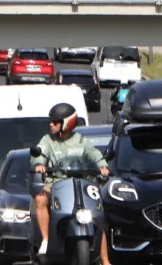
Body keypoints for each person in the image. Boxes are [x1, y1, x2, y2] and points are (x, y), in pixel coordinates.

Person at [31, 103, 111, 262]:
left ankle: (105, 260)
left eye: (55, 122)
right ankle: (46, 240)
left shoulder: (82, 140)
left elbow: (93, 153)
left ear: (67, 123)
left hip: (81, 183)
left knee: (95, 214)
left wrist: (102, 166)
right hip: (56, 183)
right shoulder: (48, 140)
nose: (51, 125)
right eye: (51, 121)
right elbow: (39, 153)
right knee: (40, 199)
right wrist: (39, 164)